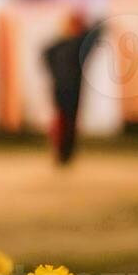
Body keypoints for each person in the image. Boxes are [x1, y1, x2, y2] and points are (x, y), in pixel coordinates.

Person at [43, 12, 103, 166]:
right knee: (63, 122)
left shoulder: (71, 45)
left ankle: (65, 154)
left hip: (69, 89)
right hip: (64, 89)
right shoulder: (64, 45)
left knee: (67, 123)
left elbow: (94, 34)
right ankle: (62, 153)